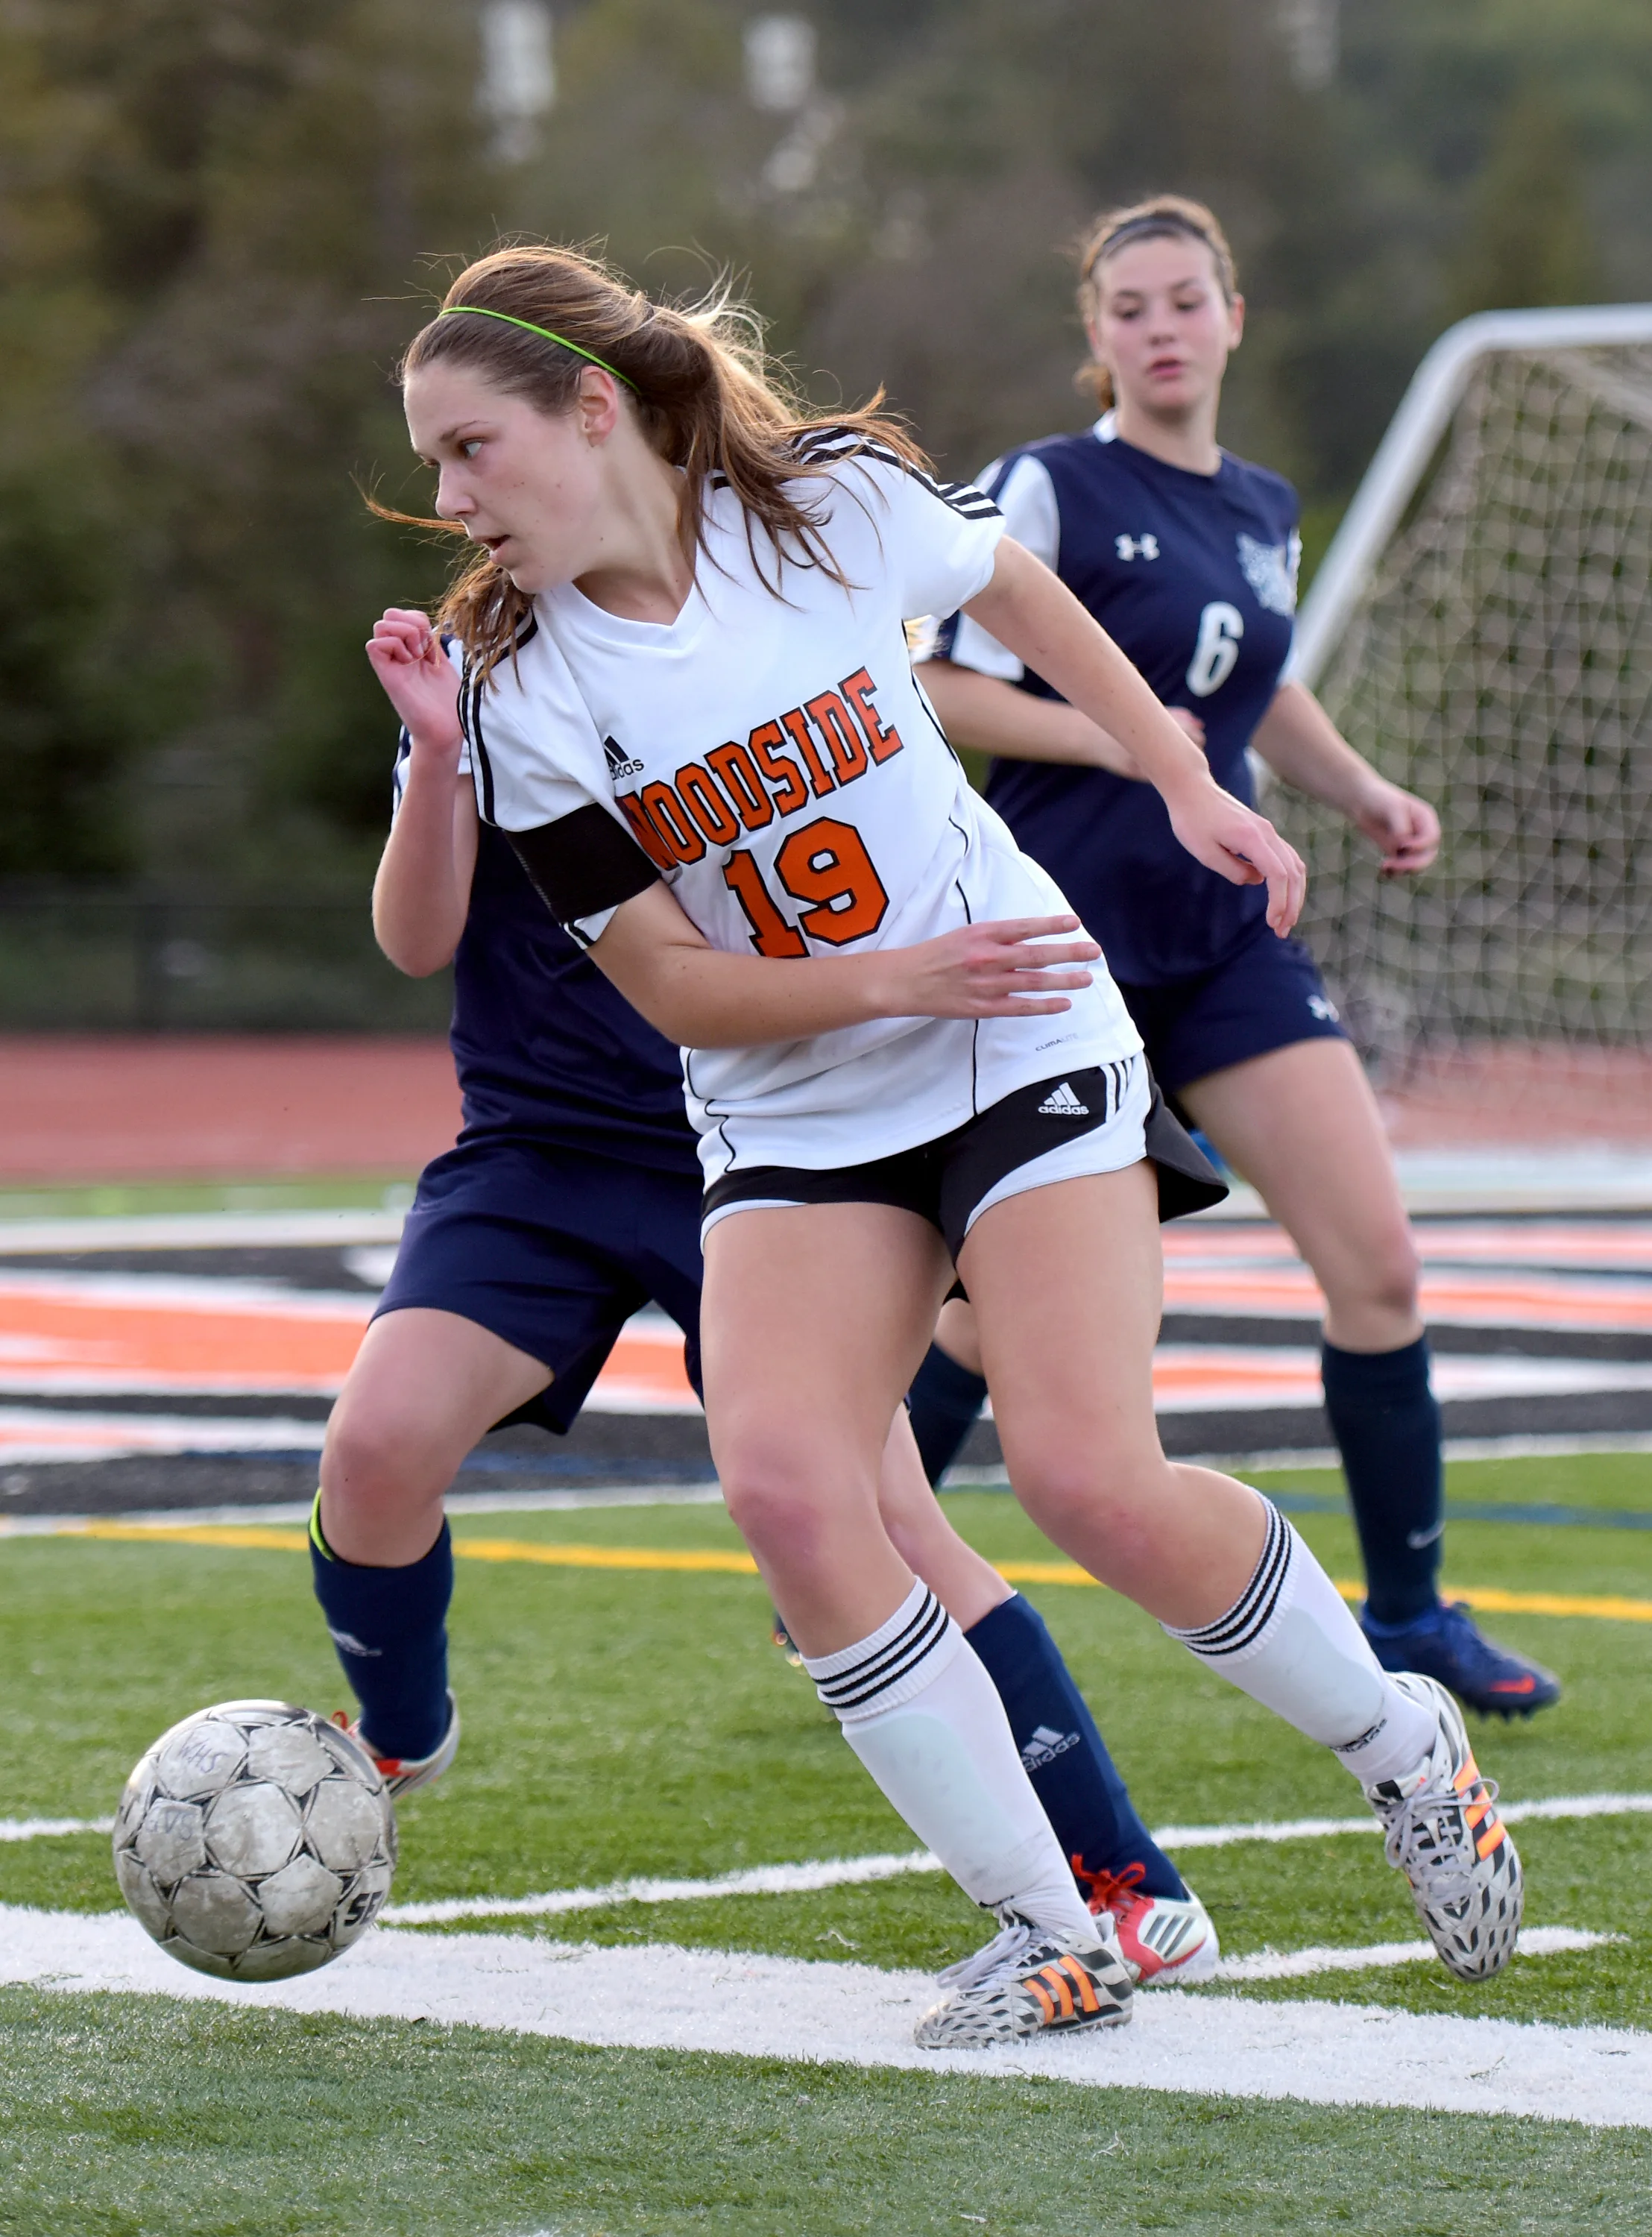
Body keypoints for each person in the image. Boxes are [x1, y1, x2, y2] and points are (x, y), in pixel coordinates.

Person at [363, 242, 1522, 2048]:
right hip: (798, 1105)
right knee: (790, 1492)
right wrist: (891, 975)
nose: (443, 499)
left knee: (1081, 1474)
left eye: (464, 449)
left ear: (592, 411)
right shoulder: (520, 696)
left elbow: (1019, 591)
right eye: (431, 464)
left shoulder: (822, 508)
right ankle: (1049, 1931)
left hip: (1018, 1031)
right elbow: (670, 985)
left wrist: (1181, 773)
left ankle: (1401, 1745)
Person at [310, 706, 1217, 1989]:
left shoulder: (759, 638)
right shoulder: (485, 676)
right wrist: (437, 756)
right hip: (537, 1154)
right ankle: (402, 1735)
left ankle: (1120, 1878)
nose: (463, 500)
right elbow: (415, 941)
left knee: (889, 1519)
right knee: (375, 1446)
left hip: (772, 1148)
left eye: (479, 482)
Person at [914, 194, 1559, 1722]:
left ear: (1232, 315)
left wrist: (1362, 790)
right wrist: (1129, 747)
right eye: (1127, 306)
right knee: (985, 1316)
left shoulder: (1262, 505)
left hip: (1229, 944)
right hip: (1070, 954)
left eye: (1184, 299)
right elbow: (930, 682)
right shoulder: (1049, 488)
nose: (1158, 328)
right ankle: (859, 1585)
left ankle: (1407, 1615)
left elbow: (1257, 689)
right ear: (1095, 336)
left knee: (1378, 1264)